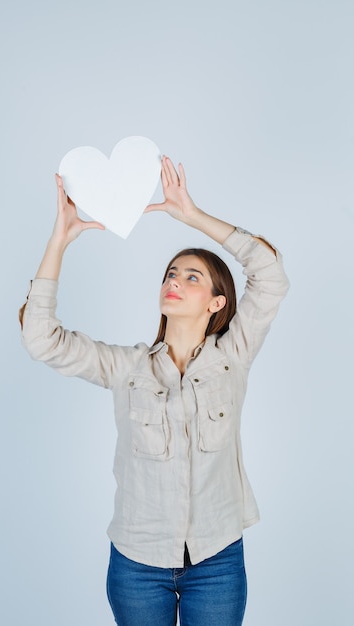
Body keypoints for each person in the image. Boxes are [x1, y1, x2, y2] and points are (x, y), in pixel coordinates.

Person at [19, 156, 289, 625]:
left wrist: (191, 215)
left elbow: (269, 273)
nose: (174, 282)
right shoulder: (127, 367)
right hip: (137, 564)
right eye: (170, 274)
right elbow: (41, 339)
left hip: (218, 561)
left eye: (192, 277)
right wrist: (59, 240)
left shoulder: (234, 356)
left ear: (217, 303)